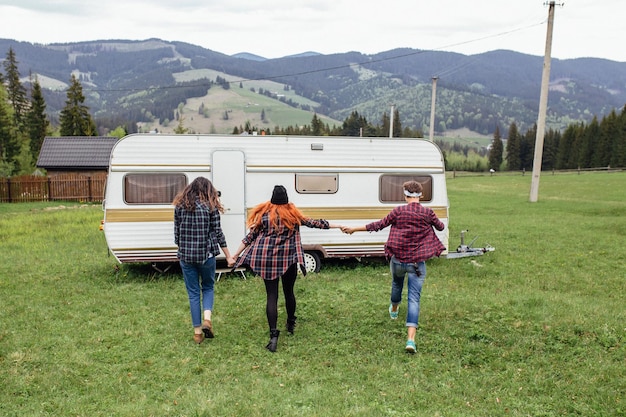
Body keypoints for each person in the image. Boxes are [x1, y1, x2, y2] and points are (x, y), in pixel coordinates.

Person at [229, 185, 343, 352]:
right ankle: (290, 323)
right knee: (289, 292)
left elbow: (249, 237)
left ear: (272, 199)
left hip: (266, 259)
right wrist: (338, 225)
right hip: (288, 259)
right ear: (287, 200)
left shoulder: (264, 215)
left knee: (272, 296)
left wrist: (234, 256)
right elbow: (316, 223)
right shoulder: (293, 215)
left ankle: (274, 335)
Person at [342, 180, 445, 353]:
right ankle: (411, 340)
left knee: (397, 283)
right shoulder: (428, 213)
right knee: (414, 299)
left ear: (405, 195)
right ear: (422, 196)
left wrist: (354, 229)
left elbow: (378, 225)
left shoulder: (398, 211)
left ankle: (395, 309)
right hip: (417, 263)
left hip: (398, 260)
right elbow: (441, 227)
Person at [173, 177, 234, 344]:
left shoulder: (179, 206)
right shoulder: (210, 207)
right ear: (208, 190)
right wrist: (228, 255)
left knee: (193, 294)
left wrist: (184, 246)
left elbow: (176, 235)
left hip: (186, 256)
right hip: (206, 256)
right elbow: (218, 232)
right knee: (207, 287)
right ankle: (207, 319)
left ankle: (197, 333)